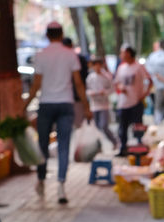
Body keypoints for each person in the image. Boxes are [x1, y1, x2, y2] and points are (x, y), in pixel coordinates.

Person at [23, 21, 90, 205]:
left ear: (47, 35)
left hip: (46, 104)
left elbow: (36, 85)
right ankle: (61, 185)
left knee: (43, 144)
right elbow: (78, 84)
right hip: (66, 104)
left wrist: (24, 105)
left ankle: (42, 179)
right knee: (63, 146)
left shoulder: (41, 56)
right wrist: (86, 106)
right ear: (61, 35)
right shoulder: (70, 55)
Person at [113, 45, 152, 156]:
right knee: (122, 128)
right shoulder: (121, 68)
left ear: (128, 54)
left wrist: (144, 94)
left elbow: (149, 81)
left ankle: (139, 150)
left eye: (122, 52)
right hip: (123, 103)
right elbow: (116, 83)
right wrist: (120, 87)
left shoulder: (139, 67)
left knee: (138, 128)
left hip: (135, 102)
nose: (121, 55)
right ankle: (123, 149)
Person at [85, 57, 116, 147]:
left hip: (104, 105)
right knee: (96, 127)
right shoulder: (90, 77)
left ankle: (114, 141)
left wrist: (105, 92)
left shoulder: (106, 77)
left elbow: (112, 89)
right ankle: (98, 146)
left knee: (104, 125)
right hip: (94, 105)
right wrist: (92, 93)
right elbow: (87, 90)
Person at [62, 36, 89, 127]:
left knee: (77, 126)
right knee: (77, 126)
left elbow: (80, 81)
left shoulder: (79, 59)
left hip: (73, 97)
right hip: (72, 97)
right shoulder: (79, 58)